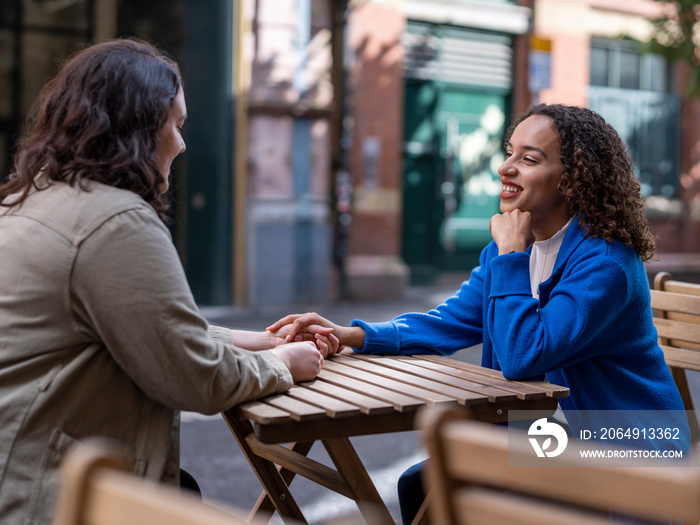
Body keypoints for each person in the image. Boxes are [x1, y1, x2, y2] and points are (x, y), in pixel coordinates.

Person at [267, 103, 690, 524]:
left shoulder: (605, 264)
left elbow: (522, 356)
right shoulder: (509, 250)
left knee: (455, 487)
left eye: (529, 159)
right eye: (510, 152)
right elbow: (452, 321)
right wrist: (350, 334)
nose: (506, 167)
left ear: (574, 178)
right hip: (554, 436)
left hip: (627, 446)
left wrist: (510, 255)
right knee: (424, 484)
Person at [0, 39, 337, 524]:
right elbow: (195, 378)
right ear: (136, 124)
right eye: (175, 124)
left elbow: (142, 330)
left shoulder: (33, 199)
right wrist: (284, 363)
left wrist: (261, 340)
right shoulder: (113, 221)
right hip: (54, 497)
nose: (182, 143)